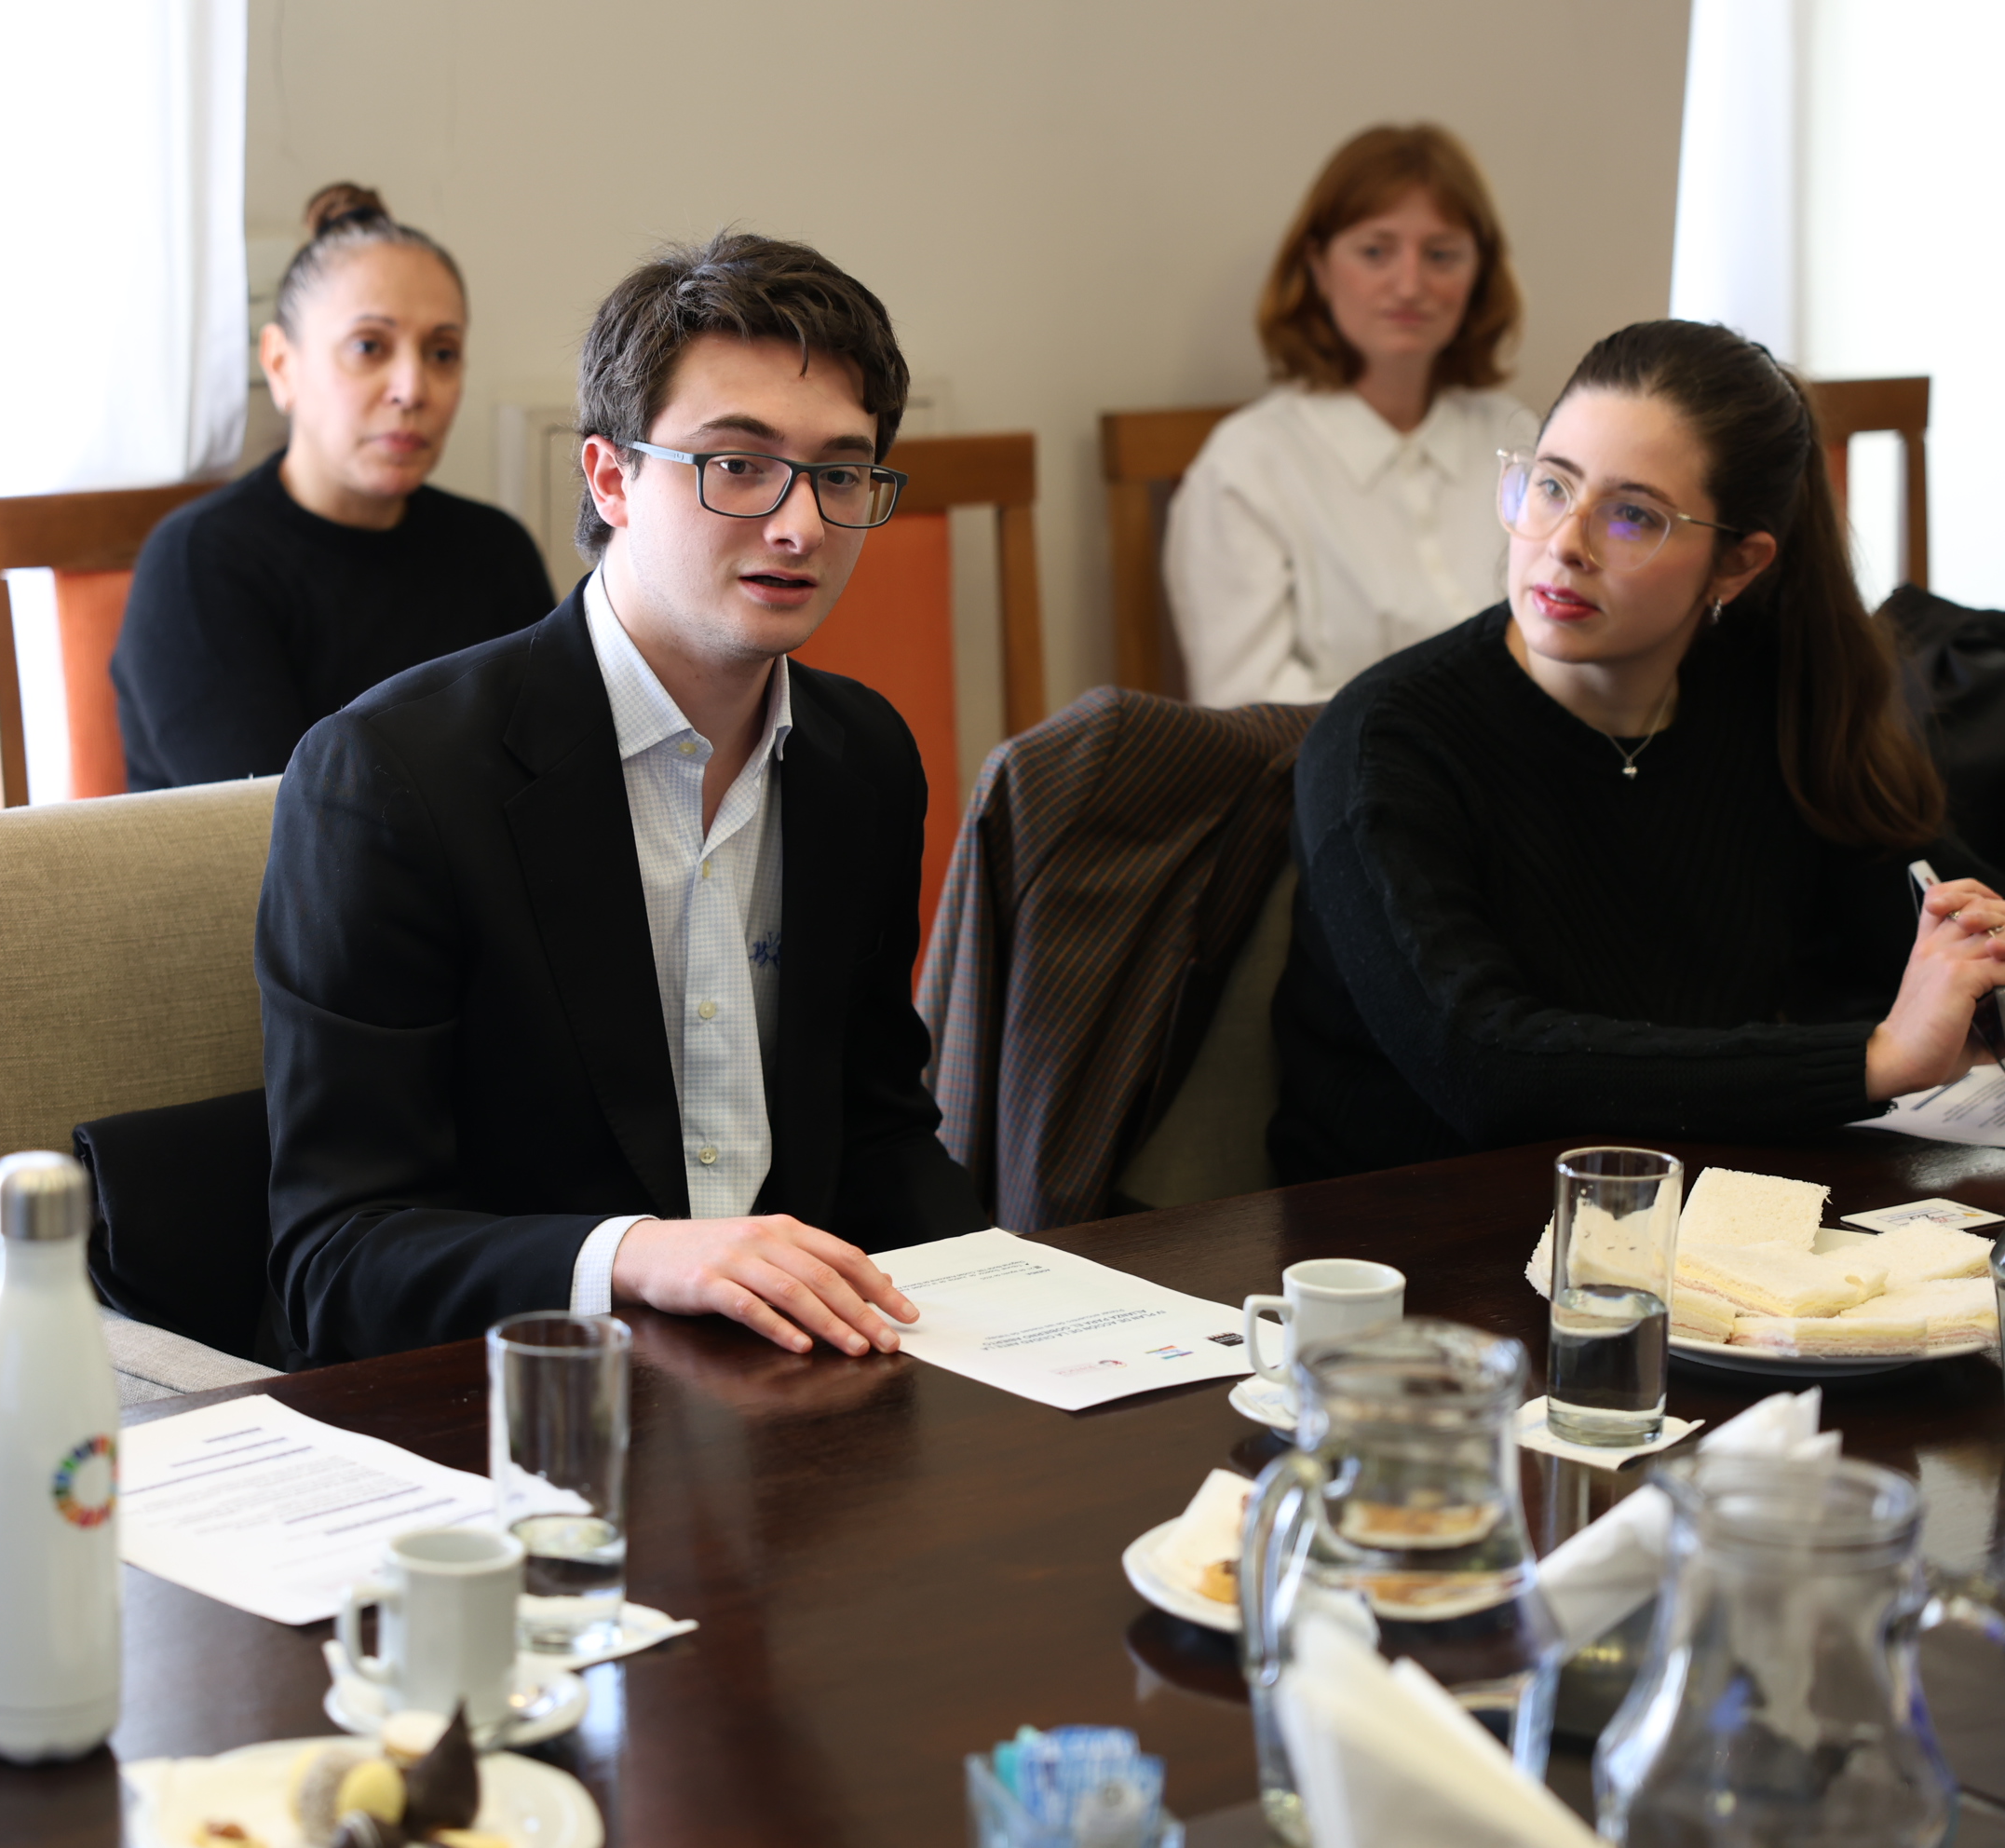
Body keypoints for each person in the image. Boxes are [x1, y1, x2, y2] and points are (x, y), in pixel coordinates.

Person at [255, 231, 985, 1366]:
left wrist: (1038, 1301)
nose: (798, 526)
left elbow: (880, 1135)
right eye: (736, 464)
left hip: (805, 1395)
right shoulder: (390, 779)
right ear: (611, 478)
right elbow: (335, 1262)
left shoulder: (863, 757)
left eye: (839, 473)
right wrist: (637, 1253)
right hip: (525, 1409)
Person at [1270, 320, 2001, 1182]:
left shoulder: (1766, 688)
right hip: (1407, 1247)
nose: (1564, 544)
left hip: (1696, 1221)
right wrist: (1875, 1059)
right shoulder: (1384, 743)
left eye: (1630, 515)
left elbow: (1931, 917)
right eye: (1550, 486)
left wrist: (1975, 962)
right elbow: (1482, 1067)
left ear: (1737, 565)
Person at [110, 183, 555, 790]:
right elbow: (270, 834)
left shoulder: (496, 551)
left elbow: (554, 772)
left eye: (442, 353)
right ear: (281, 365)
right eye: (368, 346)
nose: (412, 388)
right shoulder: (199, 563)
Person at [1167, 123, 1538, 708]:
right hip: (1344, 791)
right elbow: (1246, 709)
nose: (1410, 284)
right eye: (1375, 251)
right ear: (1318, 266)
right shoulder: (1246, 465)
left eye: (1441, 254)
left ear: (1478, 273)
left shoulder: (1518, 437)